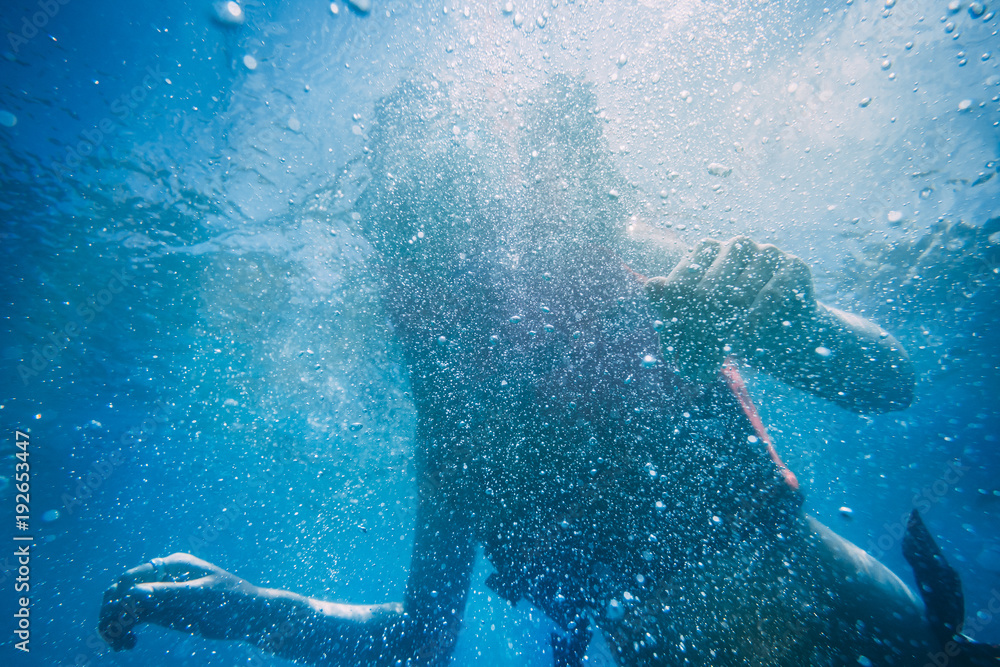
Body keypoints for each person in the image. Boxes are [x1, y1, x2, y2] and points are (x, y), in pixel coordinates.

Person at [97, 78, 960, 666]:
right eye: (404, 243)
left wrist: (786, 315)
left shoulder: (639, 277)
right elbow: (420, 641)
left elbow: (889, 381)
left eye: (448, 225)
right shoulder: (458, 424)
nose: (441, 289)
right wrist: (249, 605)